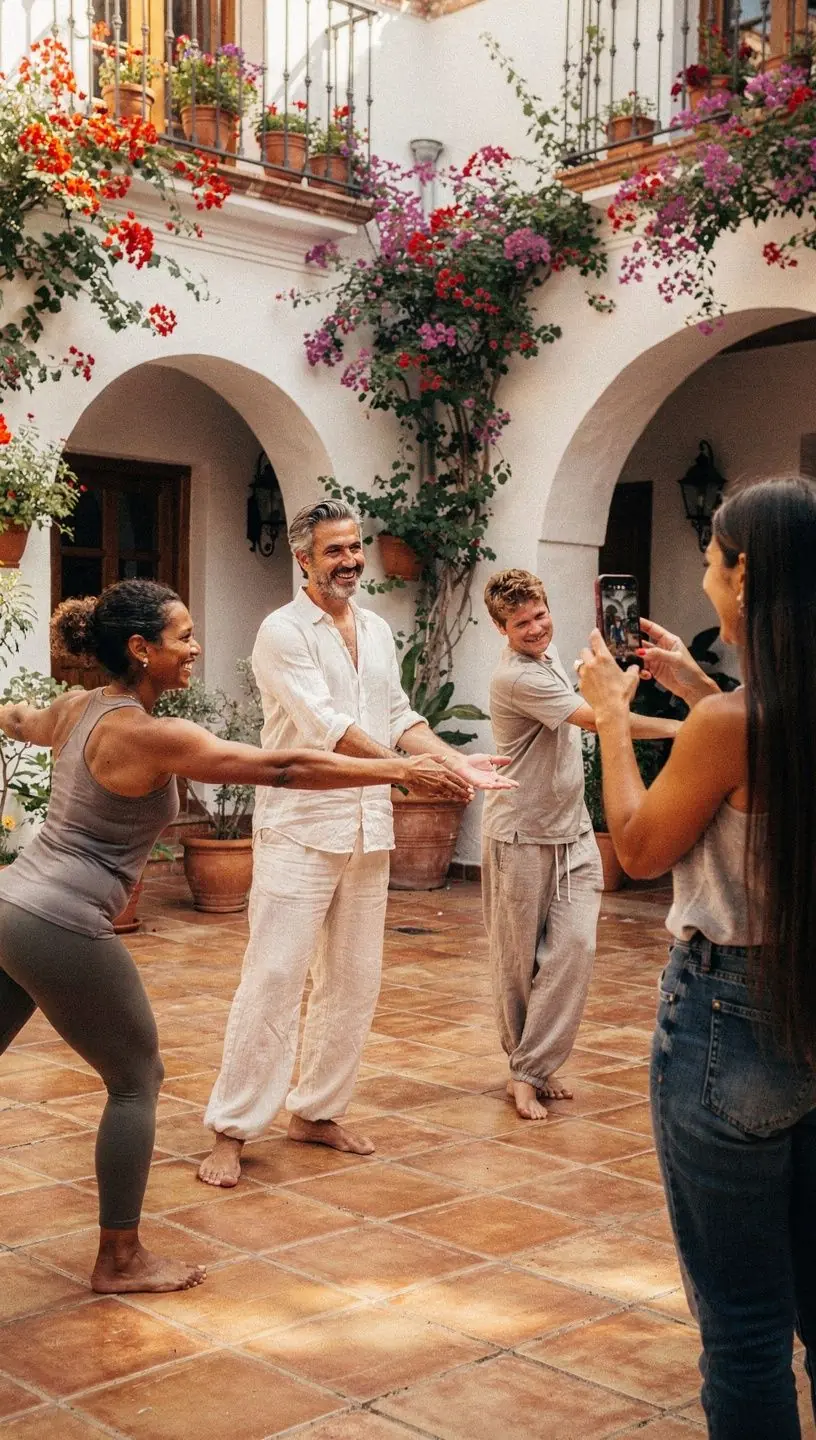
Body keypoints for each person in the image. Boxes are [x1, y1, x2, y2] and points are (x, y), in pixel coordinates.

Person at [0, 578, 470, 1296]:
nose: (194, 648)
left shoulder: (78, 708)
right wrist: (399, 769)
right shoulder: (152, 733)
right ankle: (119, 1259)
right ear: (140, 648)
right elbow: (283, 765)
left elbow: (22, 718)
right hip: (59, 920)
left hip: (11, 903)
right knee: (136, 1081)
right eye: (182, 637)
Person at [575, 476, 816, 1439]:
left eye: (711, 559)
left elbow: (634, 851)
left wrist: (607, 715)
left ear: (745, 573)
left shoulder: (733, 727)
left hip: (734, 1027)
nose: (704, 575)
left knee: (748, 1325)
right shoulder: (753, 716)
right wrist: (699, 689)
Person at [199, 500, 515, 1188]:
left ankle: (316, 1111)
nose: (348, 561)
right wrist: (404, 771)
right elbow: (327, 726)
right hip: (301, 829)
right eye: (333, 550)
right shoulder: (281, 632)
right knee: (274, 978)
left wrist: (454, 762)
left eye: (353, 548)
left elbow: (397, 715)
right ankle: (230, 1128)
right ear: (303, 559)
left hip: (369, 828)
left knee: (353, 982)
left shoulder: (374, 629)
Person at [482, 569, 679, 1120]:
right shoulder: (518, 677)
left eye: (540, 615)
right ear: (503, 628)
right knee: (517, 964)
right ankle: (526, 1071)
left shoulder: (547, 663)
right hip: (520, 835)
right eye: (521, 623)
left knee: (573, 951)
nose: (535, 628)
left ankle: (533, 1064)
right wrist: (687, 729)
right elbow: (603, 721)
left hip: (572, 834)